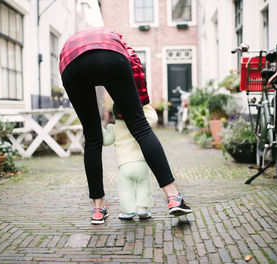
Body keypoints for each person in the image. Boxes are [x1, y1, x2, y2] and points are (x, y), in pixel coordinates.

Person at [59, 27, 191, 224]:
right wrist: (141, 103)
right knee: (140, 127)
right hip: (109, 56)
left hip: (71, 62)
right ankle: (173, 197)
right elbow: (136, 67)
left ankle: (98, 208)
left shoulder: (74, 40)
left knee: (93, 137)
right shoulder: (116, 40)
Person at [102, 103, 157, 221]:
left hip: (124, 166)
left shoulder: (114, 128)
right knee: (144, 187)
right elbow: (154, 117)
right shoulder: (140, 123)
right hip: (141, 163)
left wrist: (100, 128)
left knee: (125, 189)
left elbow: (105, 141)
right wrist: (145, 105)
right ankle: (142, 209)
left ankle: (128, 211)